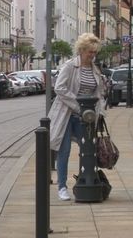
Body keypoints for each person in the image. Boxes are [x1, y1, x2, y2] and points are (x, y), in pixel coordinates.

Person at [49, 33, 106, 201]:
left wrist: (100, 112)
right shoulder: (70, 66)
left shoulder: (95, 69)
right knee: (64, 151)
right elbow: (59, 88)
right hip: (67, 115)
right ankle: (62, 187)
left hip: (86, 117)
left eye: (94, 52)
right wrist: (78, 104)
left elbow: (99, 93)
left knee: (89, 150)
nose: (92, 55)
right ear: (81, 50)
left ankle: (86, 180)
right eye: (90, 52)